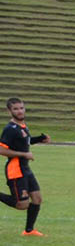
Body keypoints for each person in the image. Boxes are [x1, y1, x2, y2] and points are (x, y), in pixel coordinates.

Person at [0, 97, 51, 236]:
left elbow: (25, 141)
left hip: (25, 169)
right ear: (9, 111)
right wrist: (24, 154)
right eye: (16, 109)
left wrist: (40, 139)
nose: (20, 111)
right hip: (15, 169)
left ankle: (29, 230)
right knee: (22, 205)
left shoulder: (22, 126)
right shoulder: (10, 129)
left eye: (21, 108)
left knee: (37, 199)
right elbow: (1, 150)